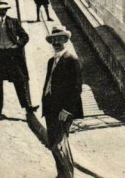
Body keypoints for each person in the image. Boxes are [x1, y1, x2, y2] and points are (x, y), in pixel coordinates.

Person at [0, 0, 37, 118]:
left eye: (4, 9)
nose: (2, 11)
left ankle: (27, 107)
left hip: (12, 56)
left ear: (7, 10)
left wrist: (18, 45)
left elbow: (25, 36)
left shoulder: (13, 22)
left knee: (19, 80)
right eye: (0, 9)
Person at [42, 26, 84, 176]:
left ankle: (67, 175)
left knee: (60, 145)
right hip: (50, 108)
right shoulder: (51, 61)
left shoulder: (72, 60)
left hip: (62, 111)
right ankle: (61, 174)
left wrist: (67, 110)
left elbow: (76, 88)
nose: (56, 42)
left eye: (59, 39)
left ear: (66, 40)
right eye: (54, 40)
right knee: (53, 143)